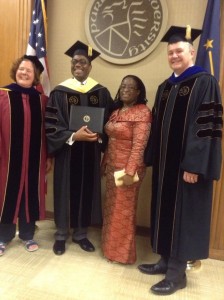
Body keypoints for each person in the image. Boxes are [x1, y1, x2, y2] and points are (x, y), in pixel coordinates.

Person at [138, 25, 223, 295]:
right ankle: (165, 261)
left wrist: (193, 165)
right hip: (166, 168)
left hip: (187, 169)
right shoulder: (165, 87)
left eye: (179, 51)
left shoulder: (204, 82)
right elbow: (156, 125)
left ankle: (177, 274)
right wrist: (149, 157)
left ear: (192, 53)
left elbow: (205, 126)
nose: (174, 55)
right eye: (171, 52)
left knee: (183, 217)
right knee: (164, 213)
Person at [45, 40, 114, 255]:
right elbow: (51, 124)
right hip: (68, 152)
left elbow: (111, 121)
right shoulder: (59, 92)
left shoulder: (101, 92)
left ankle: (81, 234)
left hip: (90, 153)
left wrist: (98, 135)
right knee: (65, 190)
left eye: (83, 61)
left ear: (90, 65)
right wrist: (74, 135)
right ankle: (61, 235)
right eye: (75, 61)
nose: (78, 65)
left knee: (87, 191)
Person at [0, 55, 51, 256]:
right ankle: (3, 237)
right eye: (21, 69)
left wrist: (48, 157)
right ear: (16, 71)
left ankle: (28, 235)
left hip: (34, 159)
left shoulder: (41, 100)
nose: (24, 73)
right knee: (6, 194)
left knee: (30, 194)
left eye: (29, 71)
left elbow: (47, 132)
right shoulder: (3, 95)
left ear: (35, 76)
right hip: (7, 159)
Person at [101, 75, 152, 264]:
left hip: (128, 169)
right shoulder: (117, 111)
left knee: (123, 211)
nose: (125, 90)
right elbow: (110, 141)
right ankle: (109, 249)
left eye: (130, 88)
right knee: (112, 208)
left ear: (138, 92)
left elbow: (140, 145)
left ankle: (121, 254)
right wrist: (104, 163)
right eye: (123, 86)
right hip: (112, 166)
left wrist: (130, 171)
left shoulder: (142, 112)